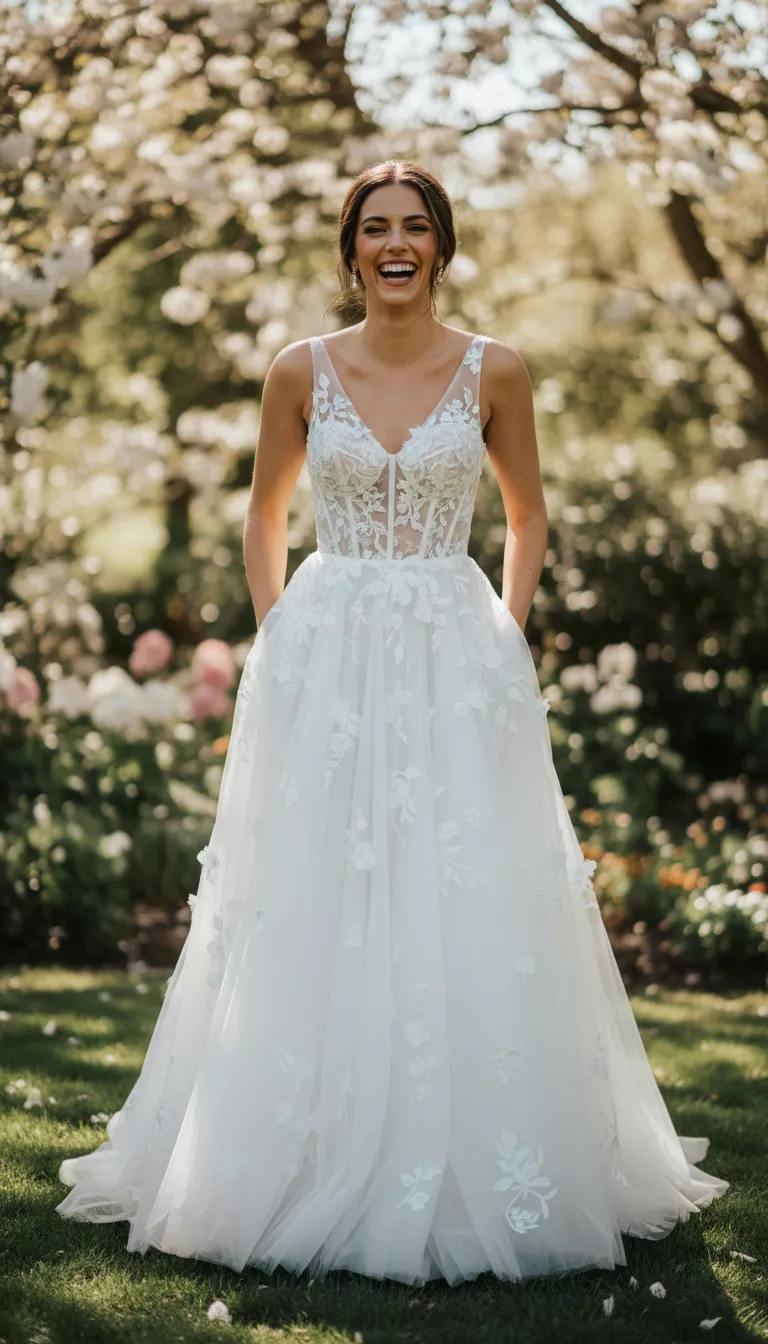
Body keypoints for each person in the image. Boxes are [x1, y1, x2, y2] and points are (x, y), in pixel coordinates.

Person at [56, 159, 729, 1286]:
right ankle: (291, 1143)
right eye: (377, 228)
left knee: (461, 881)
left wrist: (504, 639)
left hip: (452, 653)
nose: (397, 243)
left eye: (417, 226)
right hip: (330, 651)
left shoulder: (496, 370)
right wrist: (279, 640)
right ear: (352, 249)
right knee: (316, 883)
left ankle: (470, 1147)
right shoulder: (298, 370)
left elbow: (526, 514)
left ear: (444, 245)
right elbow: (265, 515)